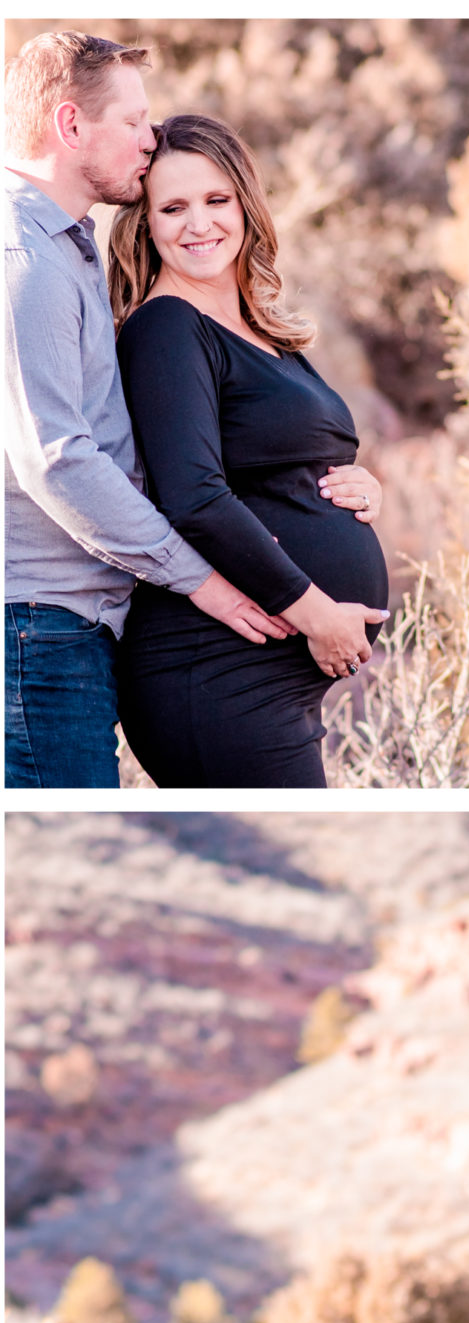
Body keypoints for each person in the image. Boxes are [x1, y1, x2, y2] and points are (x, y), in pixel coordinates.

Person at [4, 30, 292, 789]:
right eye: (132, 121)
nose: (150, 136)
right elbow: (57, 460)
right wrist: (200, 581)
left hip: (68, 628)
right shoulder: (24, 261)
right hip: (36, 629)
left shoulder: (65, 247)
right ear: (70, 126)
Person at [108, 113, 388, 787]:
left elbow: (283, 462)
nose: (197, 224)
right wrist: (319, 615)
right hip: (214, 672)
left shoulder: (265, 329)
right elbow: (195, 498)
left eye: (215, 200)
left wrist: (362, 486)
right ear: (146, 223)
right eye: (172, 207)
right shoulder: (166, 327)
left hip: (265, 677)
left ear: (245, 203)